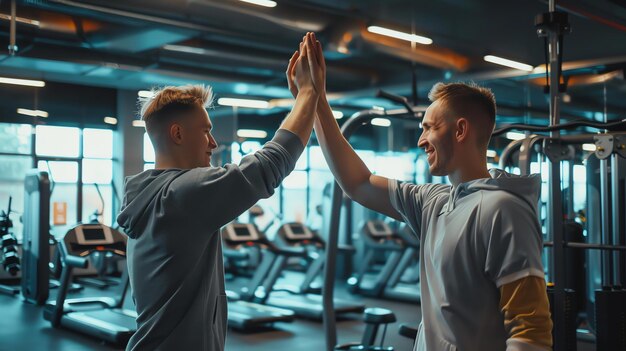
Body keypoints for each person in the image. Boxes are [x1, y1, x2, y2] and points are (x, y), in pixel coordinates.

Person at [287, 37, 552, 351]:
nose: (421, 140)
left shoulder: (504, 211)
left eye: (429, 128)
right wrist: (316, 102)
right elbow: (357, 183)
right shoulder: (434, 201)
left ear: (460, 130)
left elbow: (530, 333)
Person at [117, 32, 324, 351]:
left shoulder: (154, 192)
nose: (213, 143)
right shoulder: (182, 195)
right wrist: (309, 93)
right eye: (206, 131)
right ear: (177, 134)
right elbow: (271, 163)